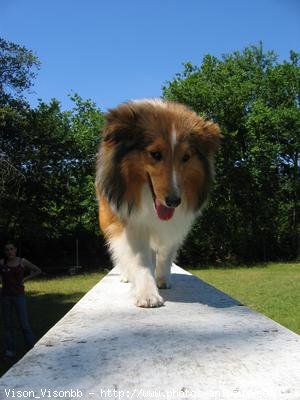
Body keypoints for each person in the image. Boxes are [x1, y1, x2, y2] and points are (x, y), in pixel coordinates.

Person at [0, 242, 42, 358]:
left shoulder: (22, 261)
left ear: (15, 250)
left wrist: (25, 279)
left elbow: (38, 270)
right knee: (8, 325)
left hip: (19, 296)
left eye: (11, 249)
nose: (9, 252)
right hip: (5, 297)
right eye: (7, 250)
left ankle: (32, 346)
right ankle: (10, 349)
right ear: (5, 252)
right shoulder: (2, 263)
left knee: (24, 324)